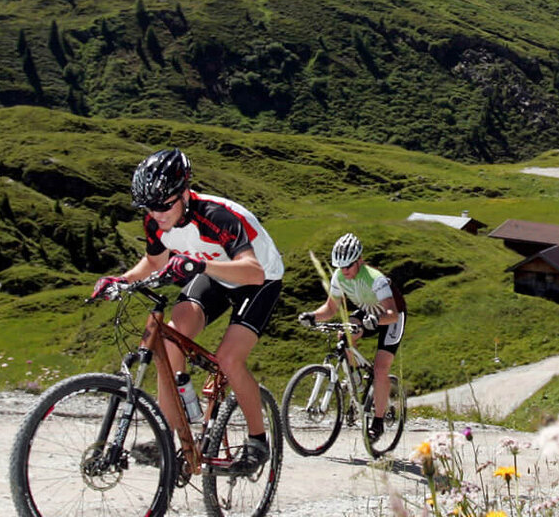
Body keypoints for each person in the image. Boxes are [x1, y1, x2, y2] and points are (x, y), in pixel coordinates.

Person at [94, 148, 284, 473]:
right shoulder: (157, 219)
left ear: (184, 193)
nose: (157, 214)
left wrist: (197, 264)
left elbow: (252, 270)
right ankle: (172, 433)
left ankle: (257, 441)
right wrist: (121, 280)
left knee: (228, 358)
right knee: (170, 341)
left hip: (259, 279)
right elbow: (155, 261)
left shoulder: (217, 216)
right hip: (212, 273)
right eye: (149, 208)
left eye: (164, 205)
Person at [297, 233, 406, 442]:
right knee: (344, 336)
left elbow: (391, 314)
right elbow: (330, 309)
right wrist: (312, 316)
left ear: (359, 260)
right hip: (368, 313)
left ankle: (378, 421)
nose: (344, 270)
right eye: (340, 265)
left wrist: (376, 321)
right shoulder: (339, 276)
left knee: (381, 368)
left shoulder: (376, 279)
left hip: (392, 317)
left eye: (348, 265)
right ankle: (356, 379)